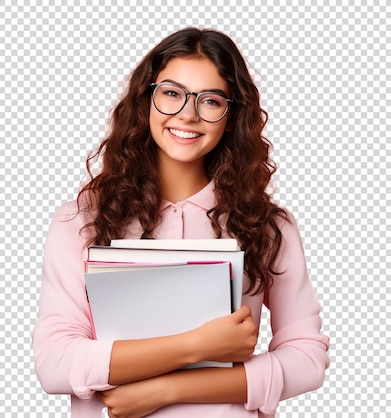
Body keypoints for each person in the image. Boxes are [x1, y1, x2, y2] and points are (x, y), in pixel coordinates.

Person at [32, 27, 330, 418]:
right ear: (146, 99)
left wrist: (165, 389)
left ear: (231, 114)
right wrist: (197, 345)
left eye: (210, 100)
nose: (187, 114)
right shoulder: (81, 221)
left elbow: (307, 358)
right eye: (171, 93)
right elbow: (54, 363)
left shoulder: (267, 226)